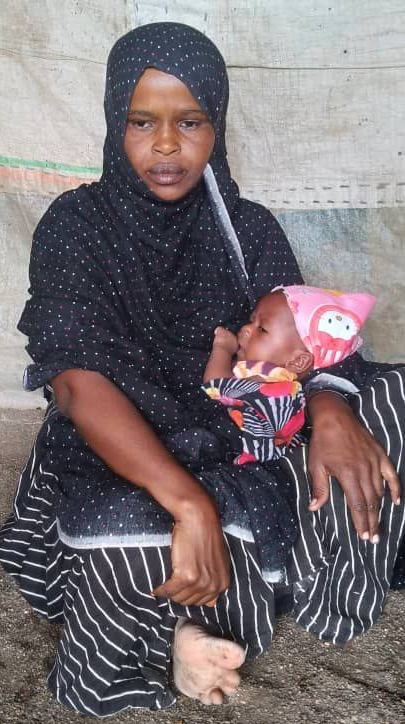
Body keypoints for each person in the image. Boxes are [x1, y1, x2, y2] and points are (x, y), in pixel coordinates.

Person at [0, 22, 404, 716]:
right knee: (130, 522)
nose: (165, 144)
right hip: (121, 435)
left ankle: (320, 584)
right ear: (112, 124)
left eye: (189, 121)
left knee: (389, 395)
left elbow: (310, 335)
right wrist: (187, 502)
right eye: (141, 121)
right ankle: (182, 633)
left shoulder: (246, 227)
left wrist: (332, 411)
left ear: (215, 126)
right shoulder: (76, 224)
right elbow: (74, 379)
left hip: (234, 425)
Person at [202, 285, 376, 464]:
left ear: (297, 362)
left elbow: (215, 384)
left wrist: (222, 348)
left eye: (262, 329)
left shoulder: (272, 385)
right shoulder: (290, 392)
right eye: (251, 320)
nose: (246, 328)